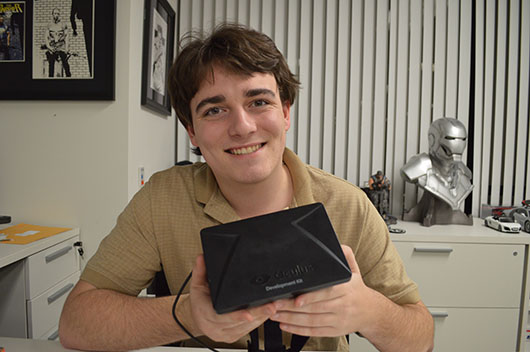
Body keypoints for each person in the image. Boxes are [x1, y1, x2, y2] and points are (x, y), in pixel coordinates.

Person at [59, 23, 434, 352]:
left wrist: (369, 311)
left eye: (259, 101)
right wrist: (188, 314)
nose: (242, 127)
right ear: (191, 129)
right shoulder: (162, 199)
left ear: (285, 112)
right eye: (214, 110)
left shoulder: (349, 204)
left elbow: (421, 338)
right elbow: (76, 323)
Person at [401, 117, 473, 226]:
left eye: (462, 139)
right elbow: (406, 173)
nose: (457, 143)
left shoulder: (463, 172)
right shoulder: (420, 167)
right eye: (450, 138)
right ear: (433, 139)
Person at [45, 8, 71, 77]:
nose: (56, 15)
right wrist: (49, 47)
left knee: (65, 64)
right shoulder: (49, 25)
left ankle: (69, 78)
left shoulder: (63, 24)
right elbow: (46, 37)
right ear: (52, 14)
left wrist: (66, 48)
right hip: (52, 47)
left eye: (58, 14)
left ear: (59, 15)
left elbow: (66, 37)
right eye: (55, 13)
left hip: (61, 46)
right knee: (51, 65)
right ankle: (50, 80)